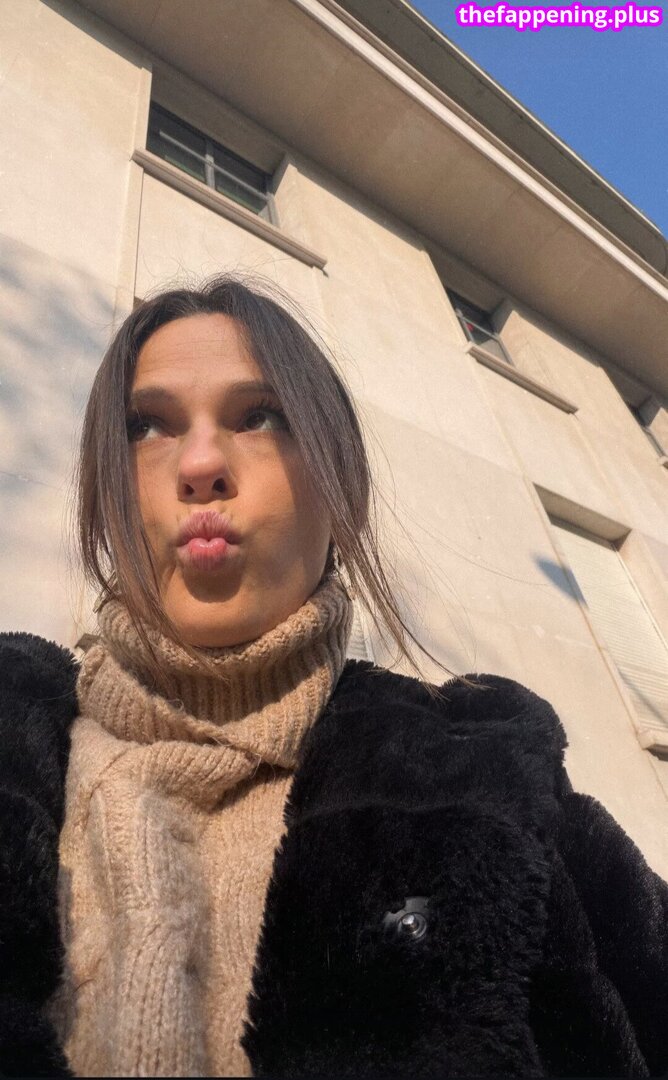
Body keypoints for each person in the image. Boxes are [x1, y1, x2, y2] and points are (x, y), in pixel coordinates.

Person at [0, 275, 666, 1079]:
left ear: (338, 481)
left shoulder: (501, 790)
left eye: (260, 417)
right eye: (148, 427)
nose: (201, 465)